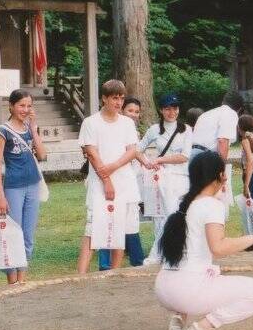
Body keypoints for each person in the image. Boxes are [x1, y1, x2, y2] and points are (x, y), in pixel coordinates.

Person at [154, 151, 253, 330]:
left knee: (204, 269)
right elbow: (218, 248)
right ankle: (202, 328)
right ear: (220, 176)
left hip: (164, 289)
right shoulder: (211, 205)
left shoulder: (183, 203)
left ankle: (178, 322)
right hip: (187, 292)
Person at [76, 80, 140, 274]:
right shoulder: (91, 122)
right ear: (104, 98)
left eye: (121, 98)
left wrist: (113, 167)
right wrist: (106, 180)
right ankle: (80, 276)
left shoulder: (127, 122)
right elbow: (92, 153)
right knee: (93, 230)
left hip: (124, 182)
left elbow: (132, 151)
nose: (118, 102)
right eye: (114, 98)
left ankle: (113, 273)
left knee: (119, 231)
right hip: (100, 183)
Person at [0, 89, 47, 284]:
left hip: (33, 184)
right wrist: (0, 194)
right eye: (21, 105)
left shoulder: (30, 128)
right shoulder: (3, 130)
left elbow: (42, 155)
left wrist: (33, 128)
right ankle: (12, 279)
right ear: (11, 106)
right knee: (12, 234)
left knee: (28, 235)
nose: (25, 109)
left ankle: (22, 279)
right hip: (13, 187)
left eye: (29, 106)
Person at [138, 93, 193, 263]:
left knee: (177, 215)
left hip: (182, 177)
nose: (172, 112)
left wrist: (159, 159)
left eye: (175, 108)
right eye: (168, 108)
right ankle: (161, 254)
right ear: (161, 110)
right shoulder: (154, 129)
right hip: (162, 177)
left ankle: (173, 252)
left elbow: (184, 156)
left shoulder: (186, 129)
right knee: (166, 215)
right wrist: (148, 163)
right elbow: (137, 149)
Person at [97, 96, 146, 270]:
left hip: (128, 181)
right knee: (108, 222)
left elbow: (134, 152)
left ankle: (136, 260)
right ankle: (105, 264)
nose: (133, 115)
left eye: (137, 112)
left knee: (130, 223)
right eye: (130, 110)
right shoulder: (106, 127)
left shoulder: (132, 130)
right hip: (110, 180)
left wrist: (146, 162)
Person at [191, 91, 244, 205]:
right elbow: (222, 141)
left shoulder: (207, 114)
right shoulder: (231, 114)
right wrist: (222, 169)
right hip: (206, 158)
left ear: (223, 102)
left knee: (196, 199)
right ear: (238, 109)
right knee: (210, 199)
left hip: (193, 155)